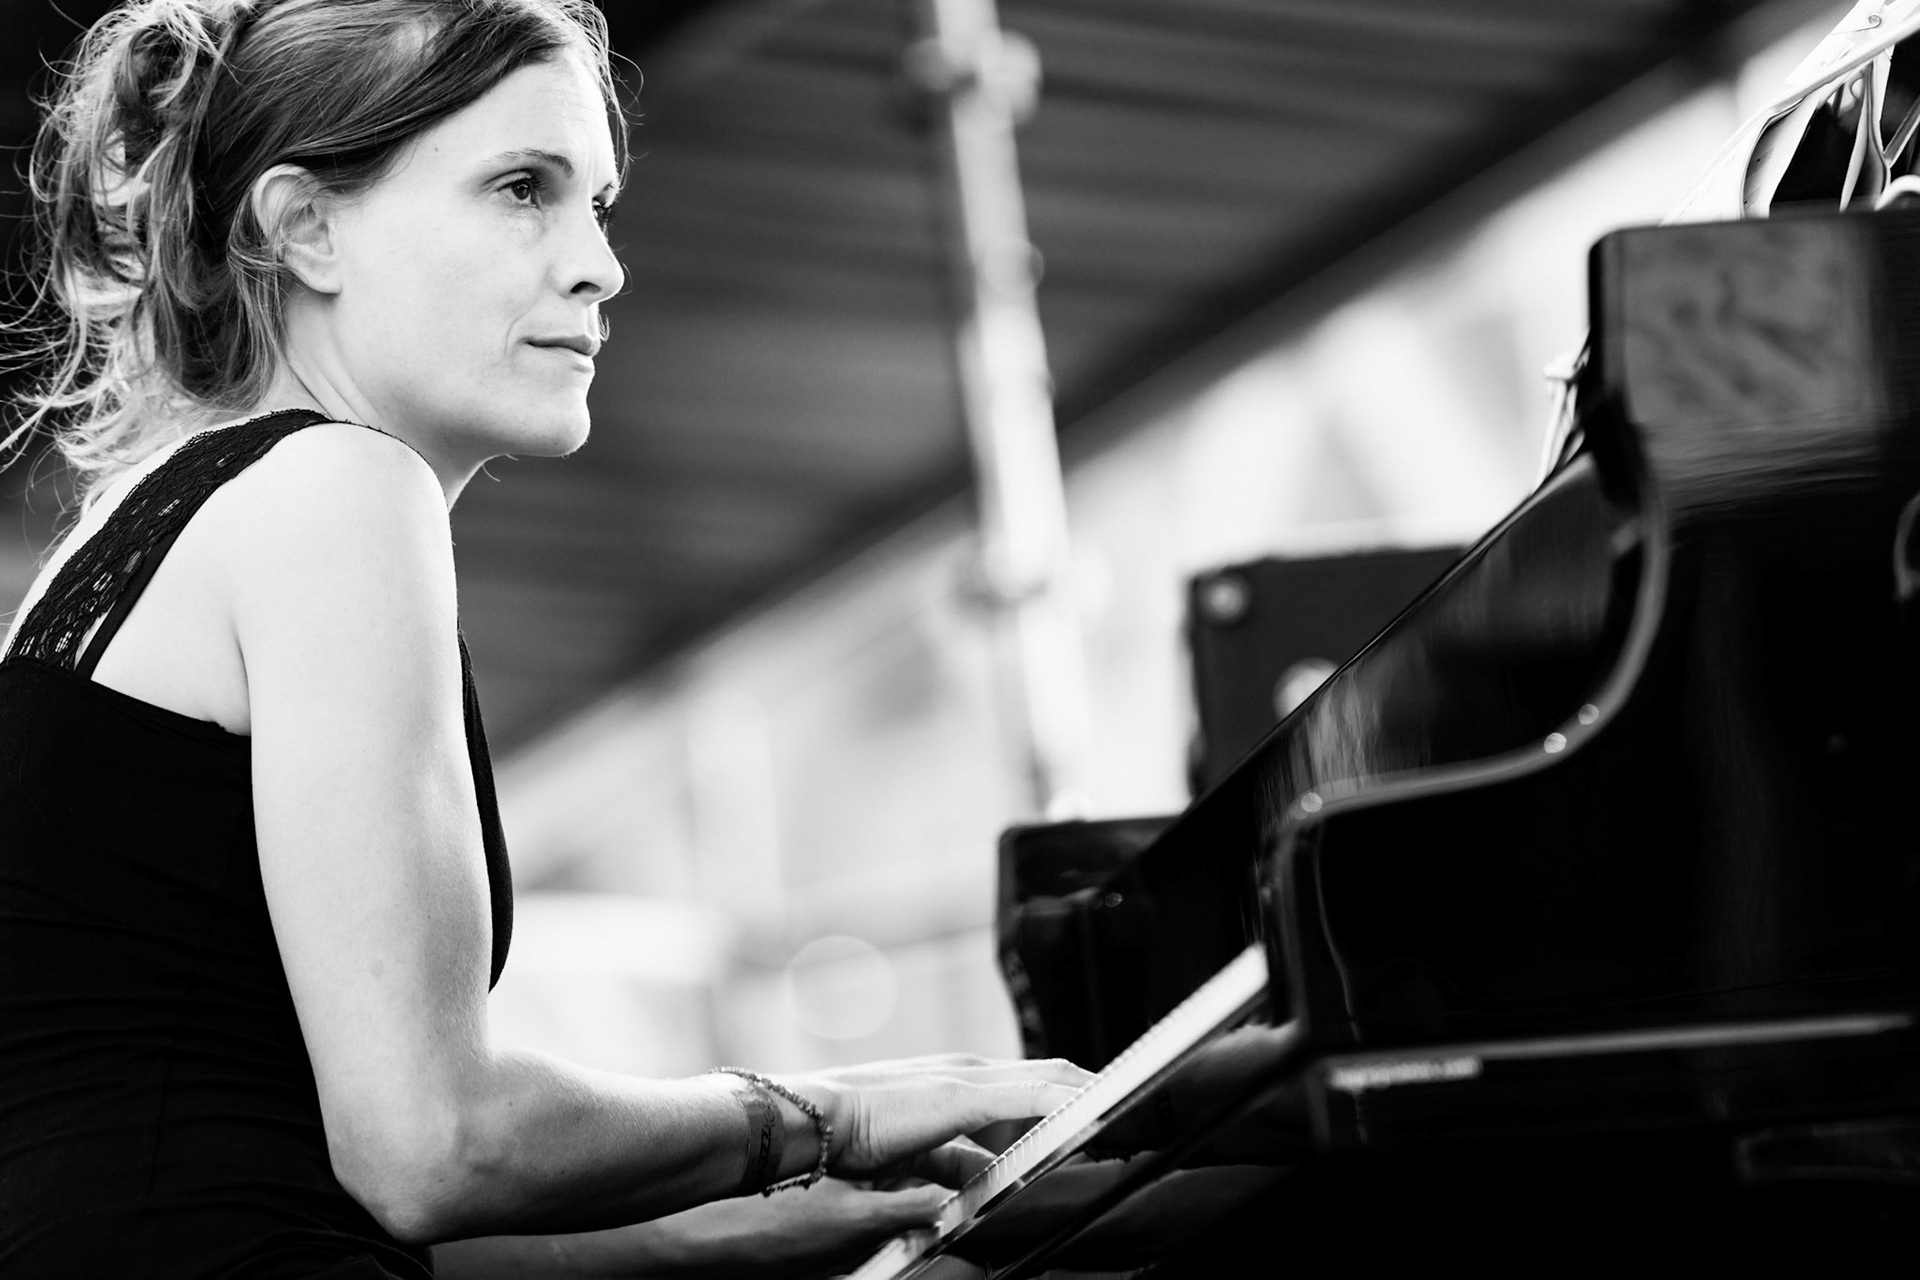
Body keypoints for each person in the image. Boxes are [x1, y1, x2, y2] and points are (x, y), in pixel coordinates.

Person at [0, 1, 1087, 1276]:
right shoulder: (339, 490)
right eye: (523, 189)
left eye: (599, 205)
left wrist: (735, 1230)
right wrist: (824, 1117)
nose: (599, 265)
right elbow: (428, 1147)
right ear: (306, 227)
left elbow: (272, 1180)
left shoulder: (113, 548)